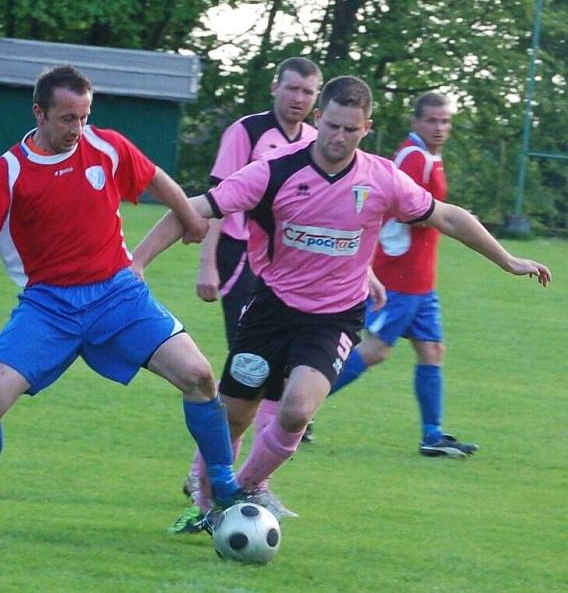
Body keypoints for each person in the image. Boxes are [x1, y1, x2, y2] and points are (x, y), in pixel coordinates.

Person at [132, 75, 551, 516]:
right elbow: (193, 209)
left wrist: (506, 259)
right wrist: (137, 264)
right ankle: (206, 493)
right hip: (271, 309)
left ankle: (246, 489)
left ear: (366, 128)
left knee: (296, 410)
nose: (339, 137)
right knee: (235, 416)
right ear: (319, 118)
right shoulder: (275, 170)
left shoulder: (382, 178)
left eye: (351, 129)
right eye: (332, 126)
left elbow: (447, 217)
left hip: (333, 317)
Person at [0, 65, 245, 529]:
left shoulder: (105, 145)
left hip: (118, 295)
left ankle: (223, 489)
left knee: (200, 376)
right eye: (66, 118)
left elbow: (156, 177)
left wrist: (190, 216)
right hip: (48, 306)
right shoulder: (11, 169)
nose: (77, 129)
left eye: (83, 117)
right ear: (39, 112)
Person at [172, 57, 321, 533]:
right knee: (247, 379)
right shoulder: (247, 131)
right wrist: (207, 263)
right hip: (240, 259)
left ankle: (246, 482)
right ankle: (208, 478)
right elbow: (217, 198)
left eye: (308, 92)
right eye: (292, 88)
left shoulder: (319, 141)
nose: (299, 98)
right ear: (276, 87)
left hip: (289, 267)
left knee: (272, 383)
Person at [328, 93, 477, 457]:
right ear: (416, 123)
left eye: (445, 122)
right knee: (376, 350)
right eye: (432, 121)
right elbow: (408, 209)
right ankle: (291, 403)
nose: (439, 128)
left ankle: (433, 435)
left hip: (422, 276)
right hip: (400, 273)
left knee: (432, 349)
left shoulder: (429, 156)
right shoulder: (412, 157)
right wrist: (450, 217)